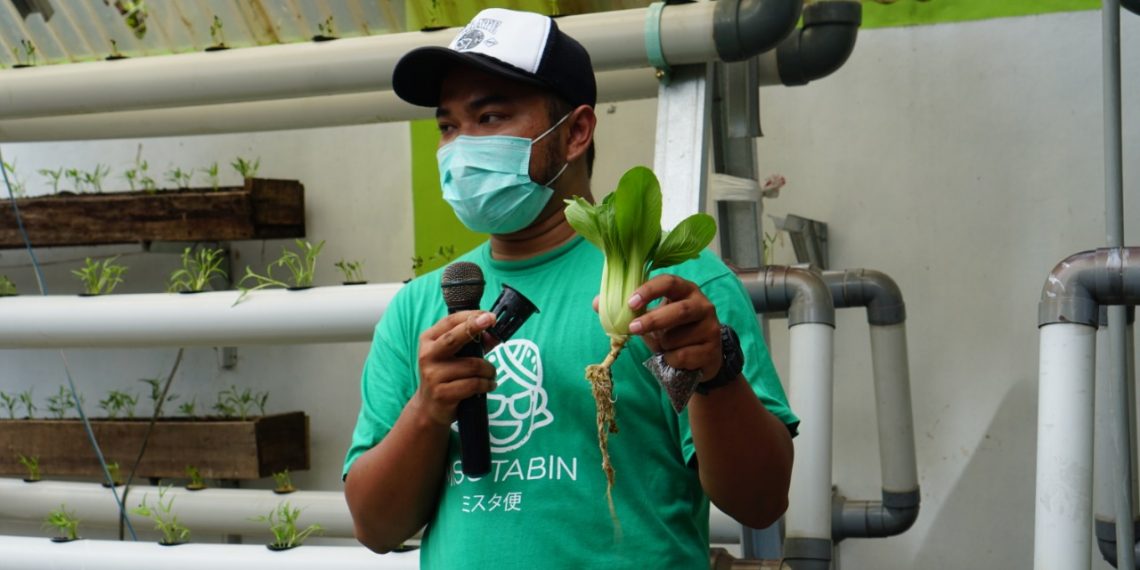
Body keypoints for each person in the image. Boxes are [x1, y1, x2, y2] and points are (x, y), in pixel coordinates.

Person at [343, 8, 798, 568]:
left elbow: (759, 501)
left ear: (576, 132)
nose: (461, 148)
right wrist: (427, 410)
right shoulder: (420, 305)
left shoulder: (676, 289)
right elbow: (376, 526)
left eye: (489, 117)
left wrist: (716, 376)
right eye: (448, 126)